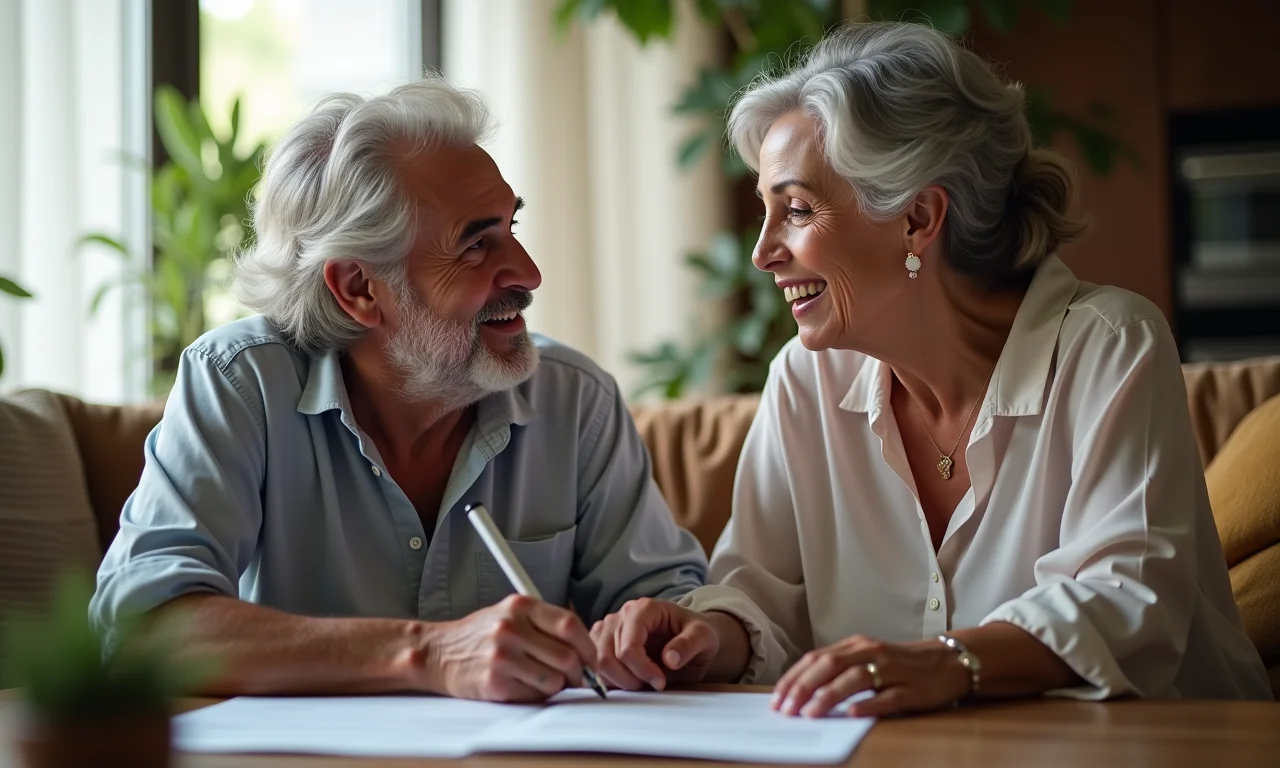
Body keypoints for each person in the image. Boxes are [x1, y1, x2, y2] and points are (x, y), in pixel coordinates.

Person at [588, 21, 1274, 714]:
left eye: (795, 209)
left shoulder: (1109, 345)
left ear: (917, 217)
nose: (764, 251)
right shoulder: (804, 379)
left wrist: (948, 663)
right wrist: (706, 633)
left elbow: (1130, 601)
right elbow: (761, 596)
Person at [89, 76, 707, 703]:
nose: (528, 272)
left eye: (511, 225)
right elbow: (142, 630)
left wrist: (674, 634)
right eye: (476, 244)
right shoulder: (240, 382)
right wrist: (427, 652)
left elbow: (669, 604)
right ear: (359, 288)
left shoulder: (574, 401)